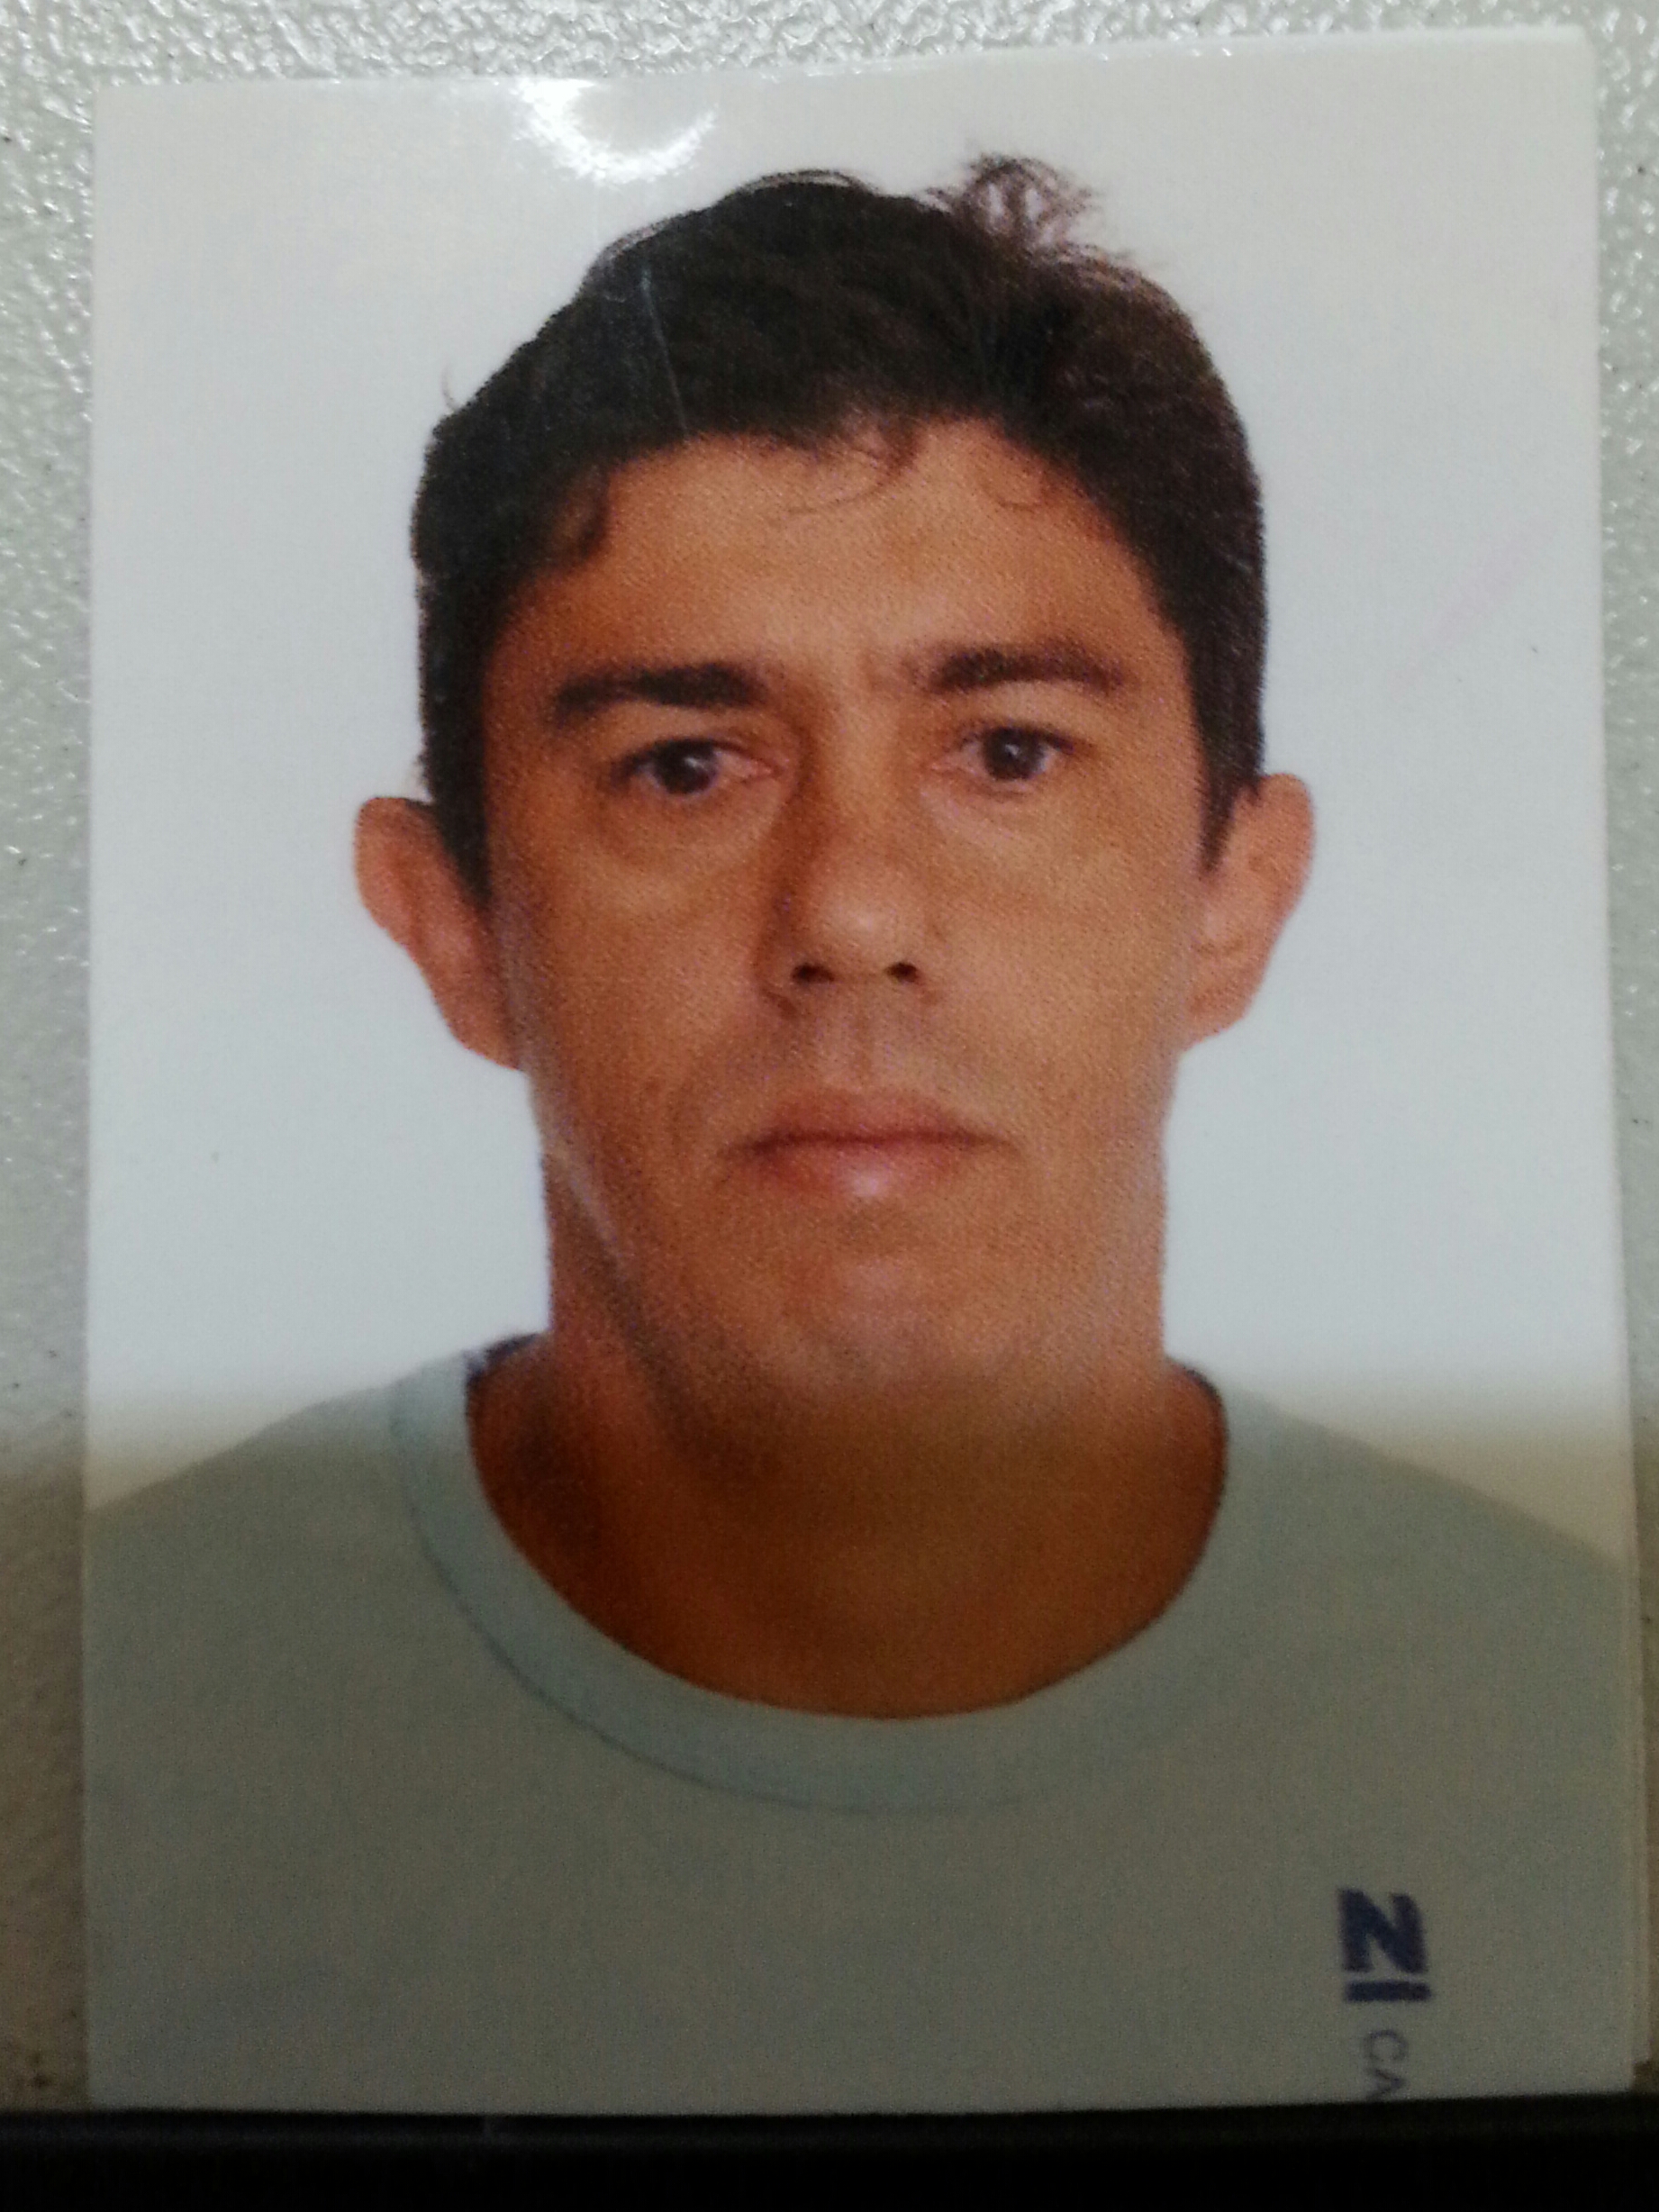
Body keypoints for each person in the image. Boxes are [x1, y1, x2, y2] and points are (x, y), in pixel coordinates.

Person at [86, 159, 1636, 2110]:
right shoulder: (87, 1732)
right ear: (456, 927)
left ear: (1234, 896)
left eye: (1006, 752)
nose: (850, 914)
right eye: (684, 765)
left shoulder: (1596, 1738)